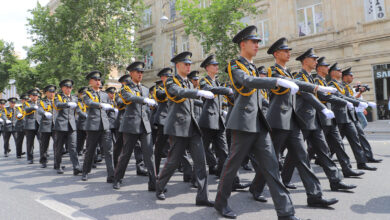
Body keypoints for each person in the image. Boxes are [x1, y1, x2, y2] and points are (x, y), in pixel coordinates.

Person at [214, 26, 300, 220]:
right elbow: (247, 81)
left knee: (272, 166)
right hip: (243, 122)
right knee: (232, 166)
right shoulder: (235, 65)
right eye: (254, 42)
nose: (257, 45)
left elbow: (257, 93)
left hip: (259, 123)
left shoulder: (252, 67)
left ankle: (286, 213)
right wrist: (276, 82)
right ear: (242, 44)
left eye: (258, 42)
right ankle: (220, 203)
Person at [255, 37, 338, 209]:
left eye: (289, 51)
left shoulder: (289, 74)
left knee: (302, 158)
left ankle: (315, 195)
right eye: (285, 51)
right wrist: (316, 87)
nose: (288, 53)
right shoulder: (272, 72)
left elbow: (298, 86)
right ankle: (256, 187)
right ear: (276, 54)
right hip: (278, 121)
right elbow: (290, 85)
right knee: (271, 158)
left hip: (292, 121)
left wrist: (317, 89)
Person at [282, 48, 356, 191]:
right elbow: (306, 94)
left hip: (314, 120)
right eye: (313, 59)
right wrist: (323, 108)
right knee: (294, 153)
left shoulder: (310, 78)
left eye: (316, 59)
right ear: (305, 61)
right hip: (302, 119)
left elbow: (319, 95)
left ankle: (335, 180)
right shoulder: (298, 76)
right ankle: (280, 180)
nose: (316, 61)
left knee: (323, 151)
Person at [155, 51, 215, 207]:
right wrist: (198, 92)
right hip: (178, 127)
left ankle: (202, 196)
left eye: (190, 64)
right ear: (178, 65)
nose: (189, 67)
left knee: (201, 162)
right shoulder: (170, 82)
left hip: (192, 127)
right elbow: (179, 92)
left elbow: (190, 102)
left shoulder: (188, 82)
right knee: (173, 161)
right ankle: (159, 186)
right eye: (186, 64)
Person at [312, 57, 365, 178]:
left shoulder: (325, 82)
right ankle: (299, 165)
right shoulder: (317, 81)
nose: (327, 68)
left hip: (331, 117)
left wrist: (356, 102)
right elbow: (325, 97)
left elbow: (340, 96)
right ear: (319, 68)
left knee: (338, 144)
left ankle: (346, 169)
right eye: (325, 66)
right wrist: (346, 103)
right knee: (314, 147)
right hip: (322, 117)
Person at [113, 61, 157, 191]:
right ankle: (117, 179)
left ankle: (153, 182)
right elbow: (130, 98)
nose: (140, 74)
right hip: (131, 125)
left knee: (149, 155)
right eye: (138, 72)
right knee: (126, 154)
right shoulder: (125, 88)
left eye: (142, 72)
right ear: (131, 73)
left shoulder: (144, 88)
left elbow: (146, 109)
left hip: (145, 125)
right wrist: (144, 100)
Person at [198, 54, 232, 178]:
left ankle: (223, 173)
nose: (217, 67)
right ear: (207, 68)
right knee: (202, 149)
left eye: (217, 65)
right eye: (214, 65)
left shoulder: (217, 82)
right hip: (207, 121)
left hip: (219, 120)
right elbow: (210, 90)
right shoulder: (203, 81)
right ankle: (194, 176)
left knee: (224, 150)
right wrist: (226, 90)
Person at [81, 71, 116, 182]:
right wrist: (101, 105)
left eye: (99, 80)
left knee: (108, 151)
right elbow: (89, 103)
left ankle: (111, 175)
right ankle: (85, 172)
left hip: (105, 126)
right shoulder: (87, 94)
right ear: (91, 81)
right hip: (93, 126)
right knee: (90, 150)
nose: (98, 82)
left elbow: (109, 109)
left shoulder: (105, 95)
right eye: (95, 80)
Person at [341, 68, 382, 163]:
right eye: (351, 75)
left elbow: (352, 98)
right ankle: (322, 158)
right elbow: (349, 99)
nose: (352, 77)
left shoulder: (348, 87)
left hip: (352, 115)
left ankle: (368, 157)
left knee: (360, 135)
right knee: (336, 140)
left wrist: (366, 103)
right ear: (345, 77)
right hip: (343, 117)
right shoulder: (342, 87)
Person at [53, 79, 82, 175]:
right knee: (59, 147)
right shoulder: (58, 97)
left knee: (73, 147)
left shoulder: (74, 97)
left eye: (70, 87)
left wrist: (85, 115)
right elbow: (57, 105)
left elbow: (78, 109)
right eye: (66, 87)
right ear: (62, 88)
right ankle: (58, 165)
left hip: (72, 125)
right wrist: (67, 104)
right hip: (61, 125)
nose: (69, 89)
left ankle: (76, 167)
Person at [153, 68, 172, 175]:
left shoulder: (173, 87)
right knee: (159, 148)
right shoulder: (158, 88)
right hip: (163, 121)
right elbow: (160, 95)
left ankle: (187, 171)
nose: (169, 78)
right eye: (167, 77)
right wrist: (170, 88)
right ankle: (155, 170)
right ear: (162, 78)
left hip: (173, 120)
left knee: (178, 147)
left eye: (170, 76)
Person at [38, 85, 56, 168]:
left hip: (56, 125)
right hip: (45, 125)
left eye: (53, 92)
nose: (52, 94)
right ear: (46, 93)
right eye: (50, 92)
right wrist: (44, 113)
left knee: (57, 144)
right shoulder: (42, 102)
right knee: (44, 144)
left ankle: (57, 161)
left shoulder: (57, 101)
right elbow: (39, 109)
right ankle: (43, 160)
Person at [24, 88, 42, 164]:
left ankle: (43, 157)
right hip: (30, 125)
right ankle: (30, 158)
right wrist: (33, 107)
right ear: (30, 96)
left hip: (39, 124)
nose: (35, 97)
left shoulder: (41, 103)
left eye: (36, 95)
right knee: (30, 143)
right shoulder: (27, 103)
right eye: (33, 95)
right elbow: (26, 109)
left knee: (42, 141)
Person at [76, 87, 89, 155]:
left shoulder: (88, 101)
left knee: (89, 140)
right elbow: (78, 111)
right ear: (80, 94)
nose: (84, 95)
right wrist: (87, 116)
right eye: (83, 94)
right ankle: (79, 150)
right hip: (81, 123)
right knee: (80, 139)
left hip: (89, 123)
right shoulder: (77, 102)